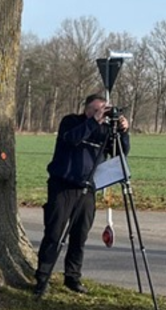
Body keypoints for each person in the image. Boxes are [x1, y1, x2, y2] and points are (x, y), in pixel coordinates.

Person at [33, 93, 130, 298]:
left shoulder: (104, 130)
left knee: (80, 235)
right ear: (87, 109)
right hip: (63, 186)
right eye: (97, 110)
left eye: (103, 110)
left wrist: (123, 132)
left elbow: (121, 152)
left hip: (88, 188)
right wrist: (94, 121)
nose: (101, 114)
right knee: (54, 233)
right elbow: (72, 139)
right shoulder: (71, 122)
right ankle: (42, 278)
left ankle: (73, 277)